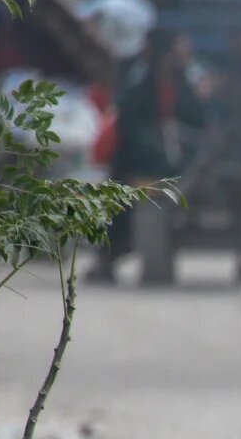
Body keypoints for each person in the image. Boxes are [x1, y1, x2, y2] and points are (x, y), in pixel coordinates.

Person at [88, 30, 207, 285]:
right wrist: (153, 142)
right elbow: (128, 125)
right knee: (120, 204)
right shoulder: (139, 81)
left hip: (180, 163)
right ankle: (108, 258)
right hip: (138, 161)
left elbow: (198, 121)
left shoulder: (183, 84)